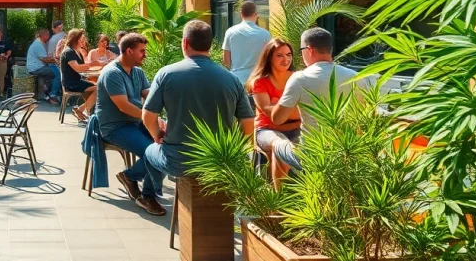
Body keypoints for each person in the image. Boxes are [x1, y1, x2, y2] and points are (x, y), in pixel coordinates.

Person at [141, 20, 255, 216]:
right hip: (220, 161)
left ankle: (149, 196)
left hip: (179, 161)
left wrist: (157, 134)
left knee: (150, 151)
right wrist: (234, 151)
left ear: (184, 43)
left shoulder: (166, 74)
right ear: (210, 45)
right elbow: (248, 124)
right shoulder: (232, 79)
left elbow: (148, 116)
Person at [270, 27, 370, 177]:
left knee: (277, 145)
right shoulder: (357, 77)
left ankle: (278, 197)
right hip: (349, 155)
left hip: (312, 157)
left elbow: (277, 119)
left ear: (309, 49)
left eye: (301, 50)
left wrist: (280, 100)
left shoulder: (300, 78)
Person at [94, 33, 162, 211]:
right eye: (142, 51)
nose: (145, 55)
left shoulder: (137, 71)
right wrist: (150, 118)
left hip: (135, 123)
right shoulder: (112, 73)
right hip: (115, 126)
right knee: (153, 152)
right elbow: (123, 106)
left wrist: (168, 104)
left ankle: (133, 179)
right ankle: (145, 193)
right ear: (129, 51)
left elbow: (149, 95)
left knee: (167, 143)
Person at [246, 38, 301, 188]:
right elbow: (271, 115)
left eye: (288, 54)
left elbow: (306, 110)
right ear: (269, 57)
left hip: (296, 128)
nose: (286, 59)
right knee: (280, 146)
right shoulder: (259, 82)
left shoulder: (297, 78)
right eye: (280, 55)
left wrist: (278, 104)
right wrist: (293, 109)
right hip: (267, 130)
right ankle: (279, 199)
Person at [221, 0, 272, 84]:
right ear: (255, 14)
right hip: (258, 79)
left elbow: (226, 59)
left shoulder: (230, 32)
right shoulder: (265, 34)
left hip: (237, 79)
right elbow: (269, 58)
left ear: (241, 14)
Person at [61, 29, 103, 122]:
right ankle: (81, 111)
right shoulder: (69, 52)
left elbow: (83, 68)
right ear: (75, 39)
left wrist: (97, 67)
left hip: (78, 80)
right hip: (72, 83)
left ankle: (84, 112)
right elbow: (77, 68)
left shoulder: (77, 51)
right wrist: (93, 64)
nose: (84, 41)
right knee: (99, 88)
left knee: (97, 87)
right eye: (81, 39)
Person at [26, 28, 60, 104]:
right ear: (45, 36)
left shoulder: (38, 43)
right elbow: (45, 60)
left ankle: (45, 91)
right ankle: (53, 94)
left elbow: (46, 58)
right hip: (36, 68)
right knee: (57, 73)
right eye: (48, 36)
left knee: (53, 69)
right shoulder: (38, 45)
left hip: (37, 67)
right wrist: (57, 59)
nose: (49, 38)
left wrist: (54, 59)